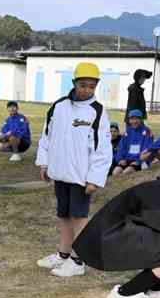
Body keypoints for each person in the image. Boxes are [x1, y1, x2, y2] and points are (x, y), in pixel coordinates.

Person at [35, 62, 112, 278]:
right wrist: (44, 163)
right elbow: (46, 136)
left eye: (91, 86)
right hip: (60, 172)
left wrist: (95, 178)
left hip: (81, 176)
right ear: (74, 83)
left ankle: (78, 260)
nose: (86, 90)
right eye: (82, 85)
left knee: (79, 216)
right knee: (63, 214)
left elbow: (103, 149)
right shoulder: (58, 106)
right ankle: (63, 253)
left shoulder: (97, 112)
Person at [112, 110, 153, 176]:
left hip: (139, 161)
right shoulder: (128, 131)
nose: (134, 121)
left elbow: (147, 148)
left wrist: (139, 161)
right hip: (127, 159)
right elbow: (121, 147)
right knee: (115, 172)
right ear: (129, 120)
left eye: (137, 119)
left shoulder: (147, 131)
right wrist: (120, 159)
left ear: (141, 119)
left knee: (126, 172)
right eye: (132, 119)